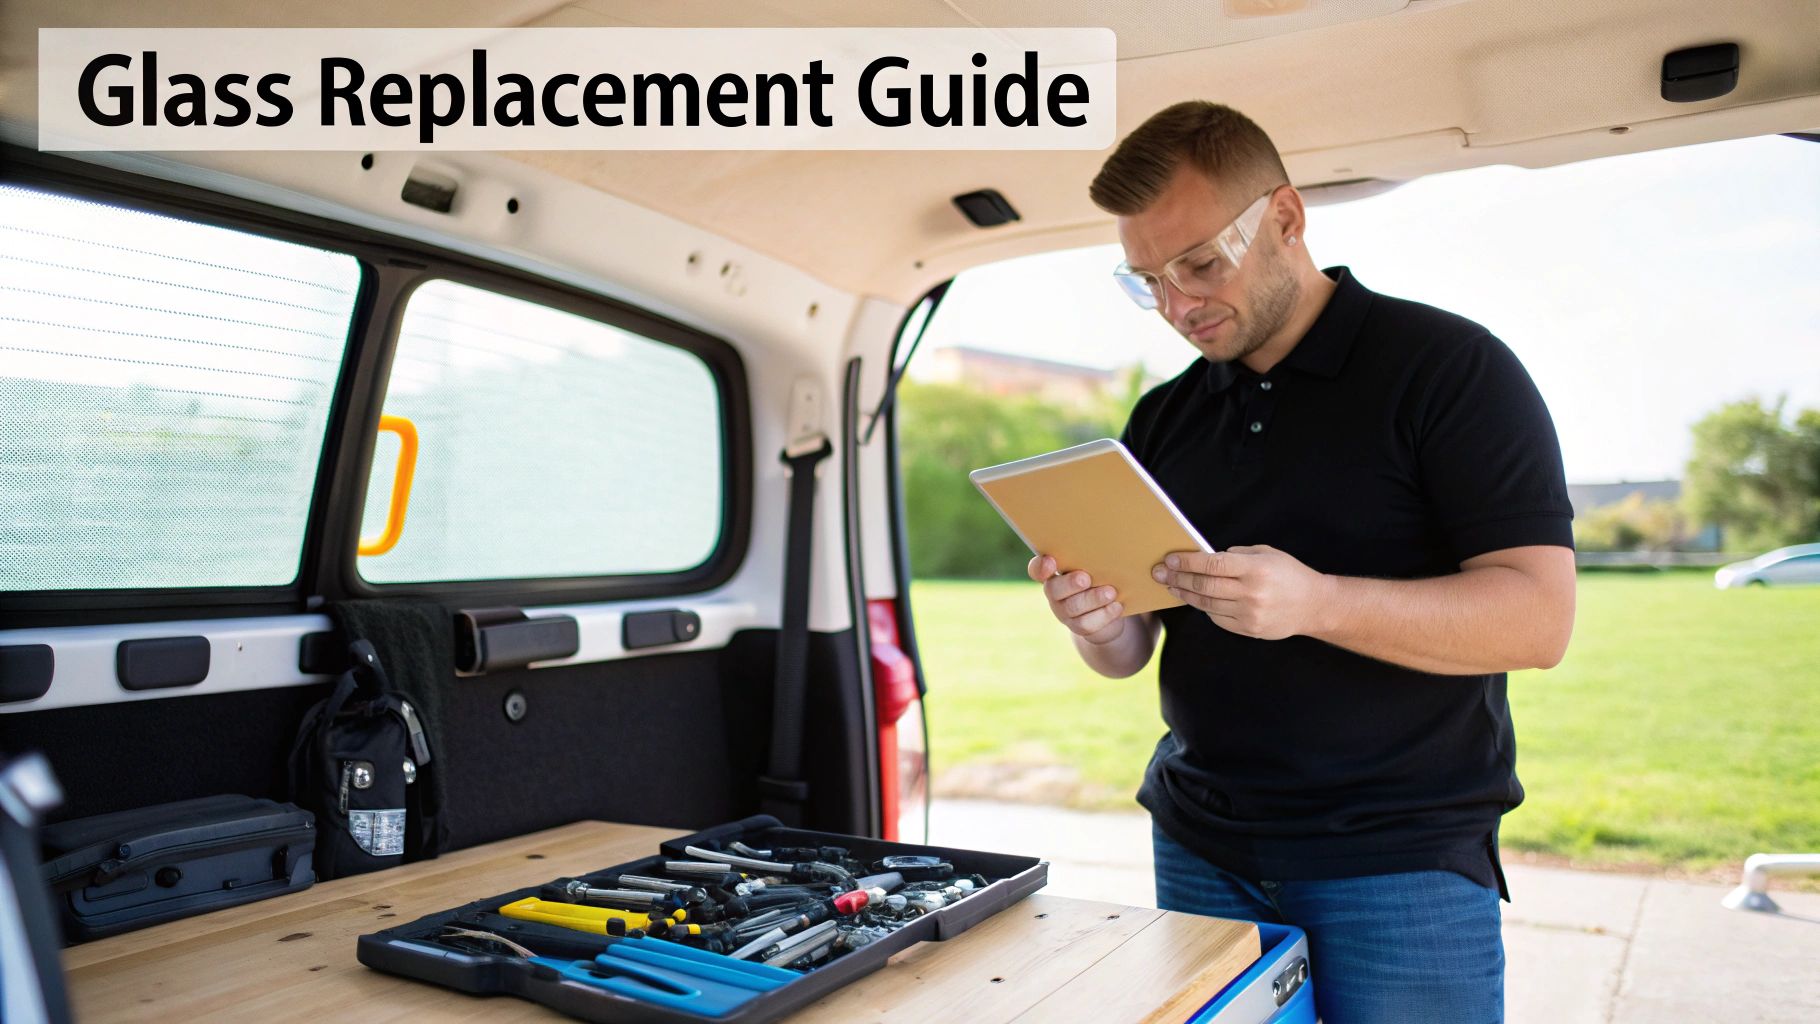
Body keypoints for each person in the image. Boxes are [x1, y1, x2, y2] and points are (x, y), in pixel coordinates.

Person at [1027, 101, 1577, 1023]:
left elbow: (1538, 620)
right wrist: (1099, 624)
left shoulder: (1449, 368)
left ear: (1286, 218)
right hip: (1198, 844)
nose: (1178, 304)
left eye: (1200, 264)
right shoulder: (1164, 417)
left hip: (1396, 860)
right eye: (1147, 281)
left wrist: (1316, 603)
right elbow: (1132, 653)